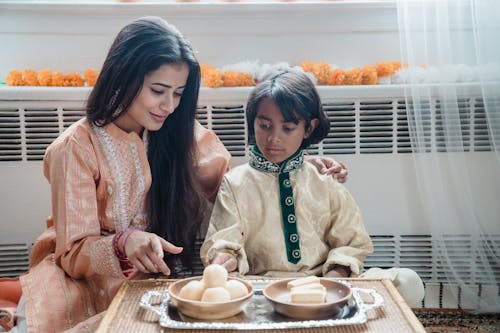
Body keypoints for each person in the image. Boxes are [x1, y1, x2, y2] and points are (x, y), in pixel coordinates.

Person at [4, 17, 348, 333]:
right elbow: (72, 253)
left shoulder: (180, 132)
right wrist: (123, 243)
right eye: (158, 91)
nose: (169, 106)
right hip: (90, 284)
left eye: (178, 94)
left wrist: (298, 166)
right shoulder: (75, 148)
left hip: (167, 277)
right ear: (123, 75)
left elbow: (237, 190)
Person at [200, 68, 424, 306]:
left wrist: (332, 285)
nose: (274, 138)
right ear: (252, 120)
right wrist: (223, 262)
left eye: (287, 128)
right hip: (261, 289)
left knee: (407, 282)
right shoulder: (235, 182)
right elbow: (225, 240)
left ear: (308, 128)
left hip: (322, 284)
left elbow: (350, 242)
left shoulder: (324, 178)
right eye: (264, 125)